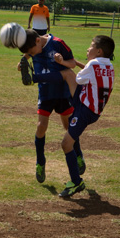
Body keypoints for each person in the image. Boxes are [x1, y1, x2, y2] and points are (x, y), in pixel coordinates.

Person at [20, 34, 115, 198]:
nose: (88, 49)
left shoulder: (92, 64)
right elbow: (87, 73)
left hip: (83, 109)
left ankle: (76, 182)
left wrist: (63, 62)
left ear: (98, 51)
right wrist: (74, 63)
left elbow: (78, 76)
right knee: (67, 73)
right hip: (94, 110)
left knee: (65, 144)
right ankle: (76, 175)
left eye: (91, 46)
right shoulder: (109, 66)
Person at [17, 29, 87, 186]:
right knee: (41, 126)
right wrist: (22, 63)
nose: (31, 55)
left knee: (68, 126)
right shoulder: (32, 48)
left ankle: (78, 154)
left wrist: (61, 61)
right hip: (45, 93)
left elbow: (72, 64)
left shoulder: (57, 44)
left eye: (31, 52)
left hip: (62, 93)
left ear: (37, 41)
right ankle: (40, 161)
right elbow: (26, 57)